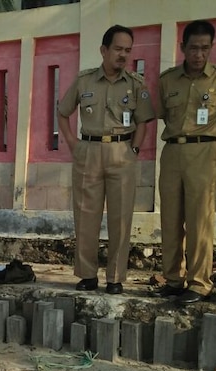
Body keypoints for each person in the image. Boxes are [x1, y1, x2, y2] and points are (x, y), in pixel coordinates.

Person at [156, 20, 216, 304]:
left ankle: (199, 282)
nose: (198, 54)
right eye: (193, 48)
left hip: (204, 152)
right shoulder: (167, 80)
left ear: (211, 48)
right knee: (170, 219)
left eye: (204, 48)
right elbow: (161, 114)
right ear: (183, 47)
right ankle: (173, 279)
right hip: (172, 151)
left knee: (199, 220)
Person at [57, 25, 155, 295]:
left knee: (121, 218)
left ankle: (115, 277)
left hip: (122, 153)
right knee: (86, 217)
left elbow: (144, 122)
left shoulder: (135, 84)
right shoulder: (84, 81)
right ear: (104, 50)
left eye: (128, 50)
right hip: (88, 151)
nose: (123, 55)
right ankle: (87, 275)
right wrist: (72, 144)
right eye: (118, 49)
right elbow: (63, 112)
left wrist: (133, 150)